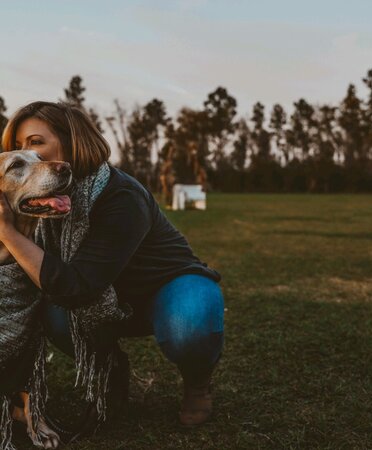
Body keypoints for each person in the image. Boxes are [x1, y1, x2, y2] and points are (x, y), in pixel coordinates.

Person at [0, 101, 225, 432]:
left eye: (36, 142)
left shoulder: (121, 196)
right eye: (20, 146)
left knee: (188, 323)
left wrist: (5, 232)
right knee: (45, 307)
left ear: (70, 141)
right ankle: (110, 369)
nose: (28, 154)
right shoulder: (47, 202)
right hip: (103, 295)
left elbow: (76, 287)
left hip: (164, 288)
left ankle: (197, 382)